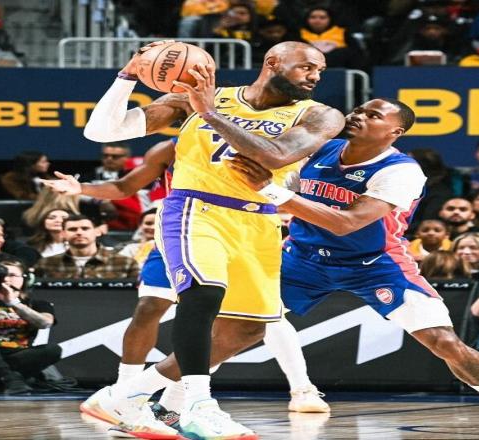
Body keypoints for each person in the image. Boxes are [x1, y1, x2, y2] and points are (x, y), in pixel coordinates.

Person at [79, 39, 344, 438]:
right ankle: (198, 406)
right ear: (273, 61)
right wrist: (127, 76)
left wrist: (210, 114)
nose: (315, 76)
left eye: (319, 70)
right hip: (195, 207)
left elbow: (275, 155)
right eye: (307, 66)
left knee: (247, 330)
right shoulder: (197, 97)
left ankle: (124, 397)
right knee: (202, 295)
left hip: (260, 220)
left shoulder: (320, 114)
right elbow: (100, 131)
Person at [228, 98, 479, 404]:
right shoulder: (319, 149)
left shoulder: (401, 171)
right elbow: (279, 186)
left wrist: (269, 189)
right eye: (359, 110)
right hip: (302, 258)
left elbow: (347, 223)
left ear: (395, 132)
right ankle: (187, 400)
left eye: (373, 115)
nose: (358, 116)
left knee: (443, 342)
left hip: (375, 263)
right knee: (234, 328)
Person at [0, 259, 61, 395]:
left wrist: (13, 303)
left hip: (16, 356)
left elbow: (45, 323)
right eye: (0, 275)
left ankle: (6, 379)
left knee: (53, 350)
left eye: (12, 275)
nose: (6, 279)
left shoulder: (37, 304)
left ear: (26, 279)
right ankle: (10, 379)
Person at [34, 214, 139, 279]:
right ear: (63, 234)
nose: (79, 232)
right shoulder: (45, 263)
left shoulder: (126, 263)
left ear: (97, 232)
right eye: (72, 229)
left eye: (85, 228)